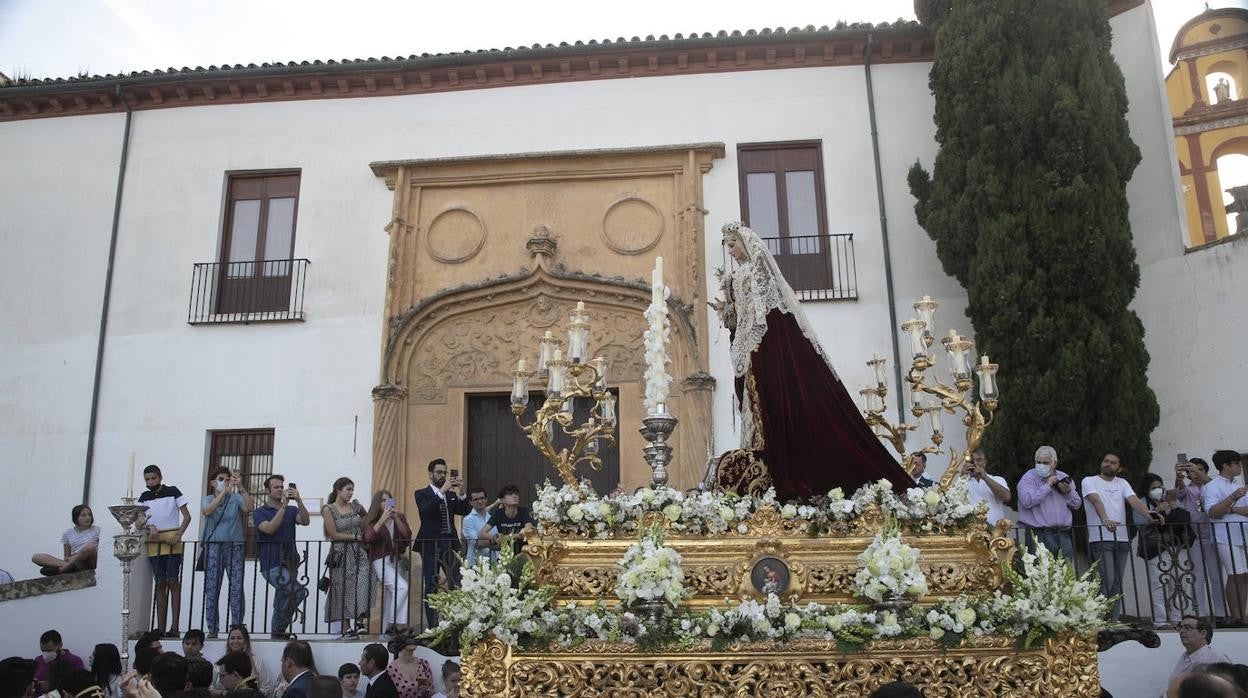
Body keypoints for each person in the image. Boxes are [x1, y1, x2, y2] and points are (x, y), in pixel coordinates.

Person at [709, 221, 913, 500]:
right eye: (727, 246)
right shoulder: (734, 279)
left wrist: (754, 344)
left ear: (744, 242)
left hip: (760, 348)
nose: (730, 250)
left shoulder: (758, 272)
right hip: (748, 350)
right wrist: (731, 321)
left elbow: (767, 313)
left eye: (732, 244)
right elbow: (739, 317)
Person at [1082, 451, 1163, 621]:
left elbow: (1134, 501)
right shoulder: (1089, 481)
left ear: (1119, 468)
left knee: (1117, 584)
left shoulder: (1123, 483)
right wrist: (1105, 519)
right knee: (1107, 581)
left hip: (1122, 539)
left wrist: (1150, 516)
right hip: (1101, 538)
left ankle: (1113, 620)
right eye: (1106, 461)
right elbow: (1096, 500)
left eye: (1113, 462)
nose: (1108, 464)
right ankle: (1098, 619)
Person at [412, 459, 470, 628]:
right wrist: (442, 492)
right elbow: (426, 511)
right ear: (430, 474)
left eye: (444, 473)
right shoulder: (421, 493)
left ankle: (455, 621)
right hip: (430, 545)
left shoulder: (451, 495)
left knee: (456, 581)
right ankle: (433, 625)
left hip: (449, 543)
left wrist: (462, 491)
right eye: (439, 472)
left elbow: (464, 510)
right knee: (431, 585)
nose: (443, 475)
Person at [137, 465, 192, 638]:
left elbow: (187, 516)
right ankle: (160, 627)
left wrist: (178, 534)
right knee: (160, 583)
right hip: (154, 542)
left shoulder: (173, 491)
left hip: (173, 541)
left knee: (173, 582)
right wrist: (149, 525)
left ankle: (174, 626)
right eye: (147, 479)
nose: (150, 482)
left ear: (160, 477)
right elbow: (138, 521)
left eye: (153, 478)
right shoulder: (144, 497)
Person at [252, 475, 310, 639]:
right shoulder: (259, 512)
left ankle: (276, 635)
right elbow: (269, 529)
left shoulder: (291, 510)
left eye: (281, 486)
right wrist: (283, 507)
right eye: (276, 487)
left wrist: (298, 500)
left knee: (280, 602)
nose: (280, 489)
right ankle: (279, 629)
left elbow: (305, 521)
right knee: (298, 592)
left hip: (290, 564)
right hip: (271, 564)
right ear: (267, 490)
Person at [1135, 473, 1196, 628]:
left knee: (1179, 583)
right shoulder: (1140, 503)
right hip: (1155, 547)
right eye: (1153, 488)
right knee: (1158, 583)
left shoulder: (1170, 499)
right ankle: (1161, 620)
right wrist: (1155, 511)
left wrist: (1172, 509)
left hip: (1177, 546)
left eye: (1160, 486)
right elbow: (1139, 523)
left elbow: (1184, 517)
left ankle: (1177, 618)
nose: (1158, 490)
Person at [201, 466, 253, 639]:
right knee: (212, 588)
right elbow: (207, 511)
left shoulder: (235, 497)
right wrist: (222, 494)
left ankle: (237, 627)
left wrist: (242, 488)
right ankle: (212, 629)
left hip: (234, 546)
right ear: (212, 482)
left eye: (227, 479)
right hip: (214, 546)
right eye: (221, 479)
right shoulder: (208, 498)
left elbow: (248, 508)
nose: (225, 482)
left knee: (237, 588)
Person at [1174, 457, 1228, 621]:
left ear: (1205, 471)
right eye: (1192, 471)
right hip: (1195, 537)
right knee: (1197, 577)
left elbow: (1217, 490)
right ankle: (1200, 614)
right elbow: (1179, 491)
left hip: (1212, 535)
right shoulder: (1188, 490)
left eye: (1199, 470)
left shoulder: (1212, 487)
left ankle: (1220, 613)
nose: (1196, 474)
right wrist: (1178, 477)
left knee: (1216, 576)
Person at [322, 477, 373, 638]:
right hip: (341, 553)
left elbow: (369, 518)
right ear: (338, 490)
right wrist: (356, 537)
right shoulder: (329, 509)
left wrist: (365, 529)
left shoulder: (355, 506)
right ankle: (346, 627)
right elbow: (333, 534)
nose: (351, 493)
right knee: (343, 588)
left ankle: (360, 620)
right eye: (348, 489)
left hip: (359, 552)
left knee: (363, 583)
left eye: (352, 489)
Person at [1202, 449, 1248, 624]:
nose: (1239, 467)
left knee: (1244, 575)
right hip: (1225, 536)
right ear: (1225, 466)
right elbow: (1213, 512)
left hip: (1242, 534)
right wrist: (1232, 499)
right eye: (1236, 463)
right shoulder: (1212, 486)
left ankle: (1243, 615)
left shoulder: (1239, 485)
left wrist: (1233, 508)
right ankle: (1235, 615)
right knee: (1234, 574)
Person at [1015, 445, 1081, 560]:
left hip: (1062, 533)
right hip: (1039, 534)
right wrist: (1047, 486)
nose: (1041, 465)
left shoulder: (1063, 476)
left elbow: (1077, 504)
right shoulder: (1028, 478)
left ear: (1054, 463)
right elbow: (1027, 501)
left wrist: (1068, 492)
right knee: (1041, 573)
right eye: (1038, 462)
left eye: (1045, 463)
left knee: (1067, 572)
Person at [362, 490, 412, 635]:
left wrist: (396, 519)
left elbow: (407, 537)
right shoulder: (372, 520)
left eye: (389, 500)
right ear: (377, 503)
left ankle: (385, 633)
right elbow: (368, 537)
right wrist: (382, 520)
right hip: (380, 560)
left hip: (396, 559)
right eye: (383, 500)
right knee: (402, 587)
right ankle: (394, 625)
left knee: (392, 596)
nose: (386, 503)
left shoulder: (399, 517)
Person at [31, 505, 100, 576]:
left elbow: (92, 549)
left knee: (90, 547)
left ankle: (63, 569)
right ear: (76, 518)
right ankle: (68, 567)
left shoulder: (97, 530)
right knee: (36, 557)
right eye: (83, 515)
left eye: (89, 515)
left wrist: (77, 555)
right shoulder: (68, 533)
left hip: (90, 562)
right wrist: (71, 560)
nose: (88, 517)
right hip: (75, 562)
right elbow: (66, 557)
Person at [1167, 616, 1231, 689]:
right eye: (1180, 627)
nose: (1181, 631)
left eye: (1187, 628)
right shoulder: (1184, 657)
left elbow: (1229, 689)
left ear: (1203, 633)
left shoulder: (1217, 659)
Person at [478, 484, 535, 557]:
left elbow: (528, 531)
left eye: (516, 494)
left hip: (524, 554)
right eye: (510, 494)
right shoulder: (498, 513)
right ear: (502, 500)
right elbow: (481, 533)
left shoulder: (524, 512)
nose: (515, 496)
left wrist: (507, 537)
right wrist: (494, 538)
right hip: (505, 556)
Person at [960, 449, 1011, 527]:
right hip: (971, 532)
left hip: (996, 531)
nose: (975, 463)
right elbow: (953, 503)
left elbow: (1006, 497)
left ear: (985, 462)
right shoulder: (962, 482)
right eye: (972, 461)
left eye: (979, 460)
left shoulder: (997, 479)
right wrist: (962, 477)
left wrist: (985, 478)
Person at [221, 627, 270, 696]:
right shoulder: (222, 662)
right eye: (232, 638)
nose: (235, 641)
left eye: (239, 638)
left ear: (246, 641)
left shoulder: (257, 662)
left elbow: (266, 688)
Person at [384, 634, 432, 698]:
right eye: (407, 637)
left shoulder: (424, 664)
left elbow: (430, 690)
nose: (411, 639)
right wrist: (418, 685)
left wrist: (426, 690)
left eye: (412, 637)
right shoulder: (391, 669)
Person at [461, 489, 496, 569]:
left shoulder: (491, 518)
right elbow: (477, 543)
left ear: (486, 499)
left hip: (493, 563)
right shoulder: (468, 520)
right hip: (475, 565)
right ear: (471, 502)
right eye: (476, 499)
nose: (480, 502)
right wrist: (495, 541)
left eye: (482, 498)